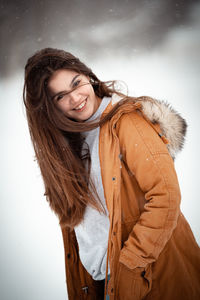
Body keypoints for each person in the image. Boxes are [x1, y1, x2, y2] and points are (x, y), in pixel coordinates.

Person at [23, 47, 200, 300]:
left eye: (77, 83)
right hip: (100, 281)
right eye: (61, 96)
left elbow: (166, 196)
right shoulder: (66, 144)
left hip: (148, 276)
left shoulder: (126, 122)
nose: (75, 98)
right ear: (48, 108)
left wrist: (129, 265)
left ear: (88, 76)